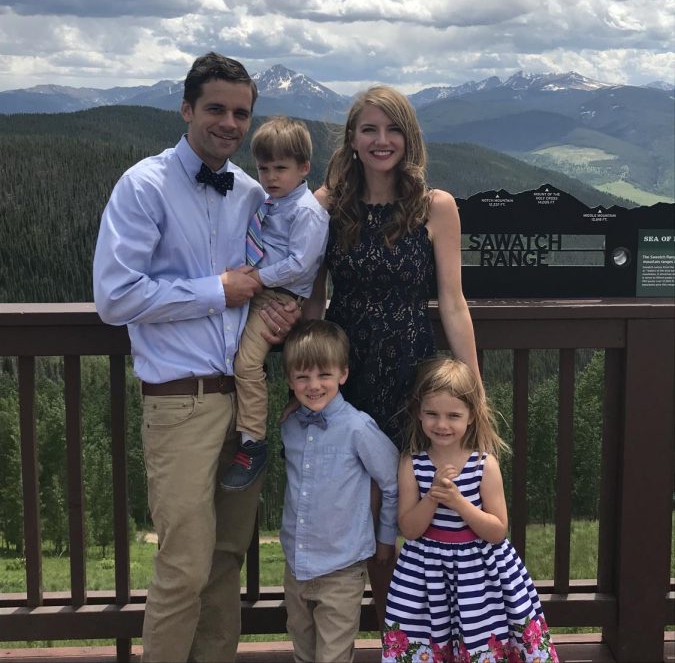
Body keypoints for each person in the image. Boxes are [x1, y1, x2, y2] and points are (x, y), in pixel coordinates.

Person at [93, 52, 300, 663]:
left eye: (241, 112)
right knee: (183, 563)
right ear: (187, 109)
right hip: (179, 402)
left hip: (246, 402)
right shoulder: (144, 185)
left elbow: (275, 271)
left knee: (226, 559)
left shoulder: (254, 193)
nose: (230, 123)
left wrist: (280, 311)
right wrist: (219, 290)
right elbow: (115, 296)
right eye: (216, 108)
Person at [303, 84, 480, 620]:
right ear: (352, 140)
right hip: (344, 376)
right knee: (358, 505)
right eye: (370, 129)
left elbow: (452, 303)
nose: (382, 140)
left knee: (410, 505)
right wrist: (304, 380)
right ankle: (377, 631)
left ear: (409, 137)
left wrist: (473, 387)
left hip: (412, 375)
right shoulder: (326, 204)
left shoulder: (435, 207)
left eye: (393, 128)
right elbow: (311, 300)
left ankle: (409, 632)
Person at [382, 356, 557, 663]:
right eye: (432, 413)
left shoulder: (483, 464)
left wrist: (459, 502)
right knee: (430, 639)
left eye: (453, 415)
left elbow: (496, 530)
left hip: (481, 576)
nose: (442, 424)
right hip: (426, 576)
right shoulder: (412, 463)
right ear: (419, 413)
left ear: (471, 415)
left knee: (480, 639)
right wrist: (433, 497)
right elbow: (409, 529)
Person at [280, 320, 399, 663]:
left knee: (332, 657)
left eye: (324, 375)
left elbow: (391, 482)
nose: (313, 385)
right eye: (302, 377)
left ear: (343, 374)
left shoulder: (358, 428)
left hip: (341, 569)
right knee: (303, 653)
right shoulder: (289, 425)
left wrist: (385, 538)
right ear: (290, 381)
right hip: (296, 566)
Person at [220, 116, 329, 490]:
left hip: (278, 296)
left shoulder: (307, 213)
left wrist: (257, 278)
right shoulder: (273, 204)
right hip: (260, 288)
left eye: (281, 168)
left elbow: (301, 264)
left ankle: (253, 441)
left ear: (304, 168)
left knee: (247, 362)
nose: (270, 176)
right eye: (264, 168)